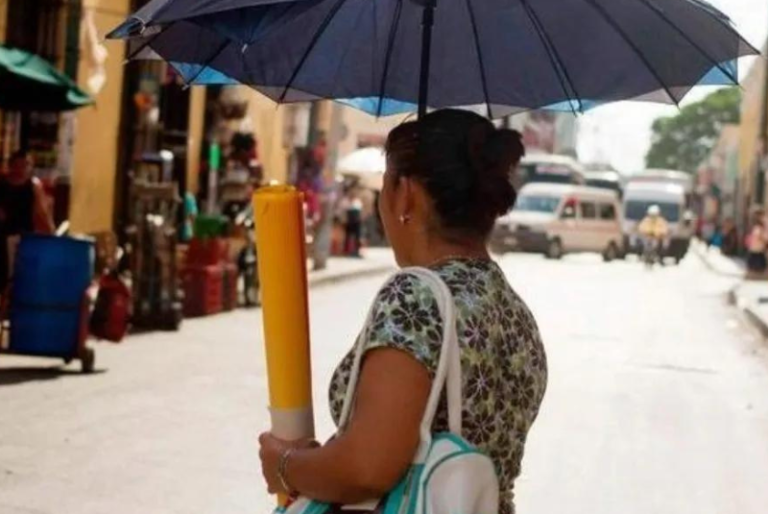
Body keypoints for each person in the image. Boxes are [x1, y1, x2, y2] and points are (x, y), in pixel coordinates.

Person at [258, 110, 548, 514]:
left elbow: (368, 467)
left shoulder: (415, 298)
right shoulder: (513, 310)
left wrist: (285, 465)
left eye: (384, 185)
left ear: (404, 194)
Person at [0, 150, 55, 292]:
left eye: (25, 165)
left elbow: (42, 213)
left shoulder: (33, 187)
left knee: (19, 277)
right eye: (18, 165)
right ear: (11, 166)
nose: (21, 169)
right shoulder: (3, 185)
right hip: (4, 236)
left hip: (24, 238)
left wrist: (52, 235)